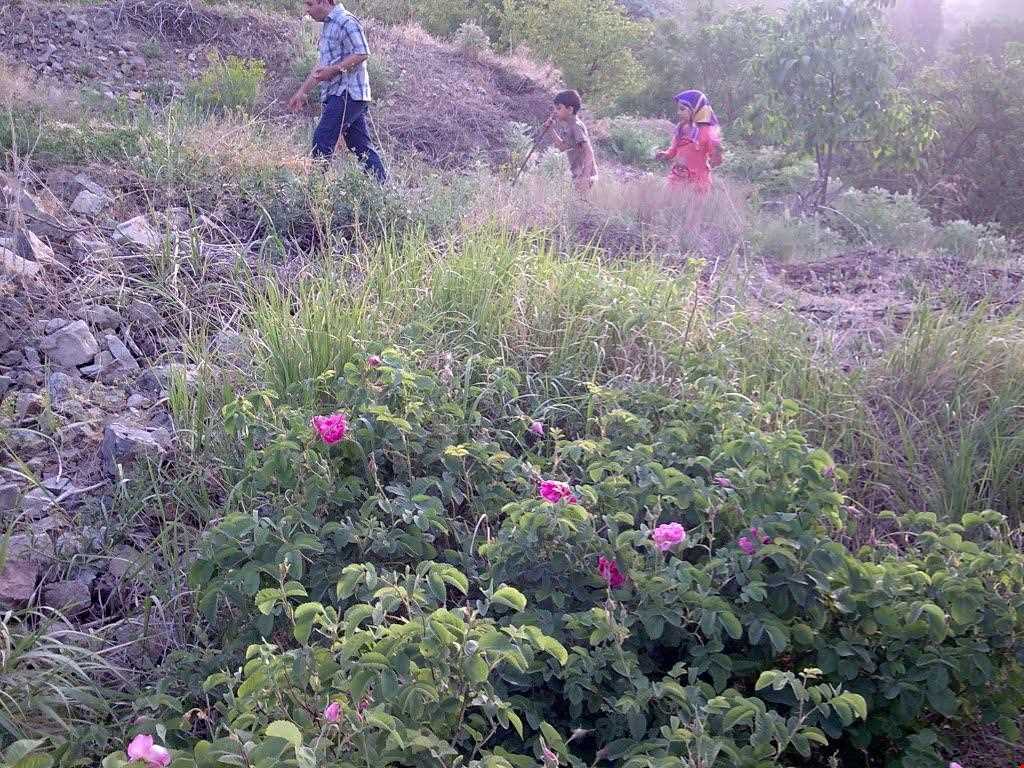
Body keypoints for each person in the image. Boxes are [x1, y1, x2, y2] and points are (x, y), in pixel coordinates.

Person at [289, 0, 386, 183]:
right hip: (340, 93)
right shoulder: (328, 26)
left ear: (324, 1)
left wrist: (334, 70)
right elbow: (321, 66)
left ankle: (315, 192)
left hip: (349, 93)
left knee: (322, 138)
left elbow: (362, 52)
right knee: (360, 147)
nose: (307, 11)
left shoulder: (346, 21)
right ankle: (384, 191)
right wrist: (303, 91)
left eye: (310, 4)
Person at [655, 89, 723, 192]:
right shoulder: (681, 128)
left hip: (698, 182)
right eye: (678, 109)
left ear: (695, 109)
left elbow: (716, 158)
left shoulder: (707, 131)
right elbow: (673, 150)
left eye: (682, 109)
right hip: (677, 177)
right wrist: (666, 154)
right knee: (669, 203)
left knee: (693, 207)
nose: (678, 113)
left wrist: (717, 153)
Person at [542, 89, 598, 194]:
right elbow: (563, 147)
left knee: (581, 207)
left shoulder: (576, 126)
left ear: (570, 109)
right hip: (578, 175)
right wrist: (550, 130)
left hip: (587, 177)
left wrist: (585, 177)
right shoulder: (569, 127)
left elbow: (589, 152)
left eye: (558, 108)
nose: (555, 112)